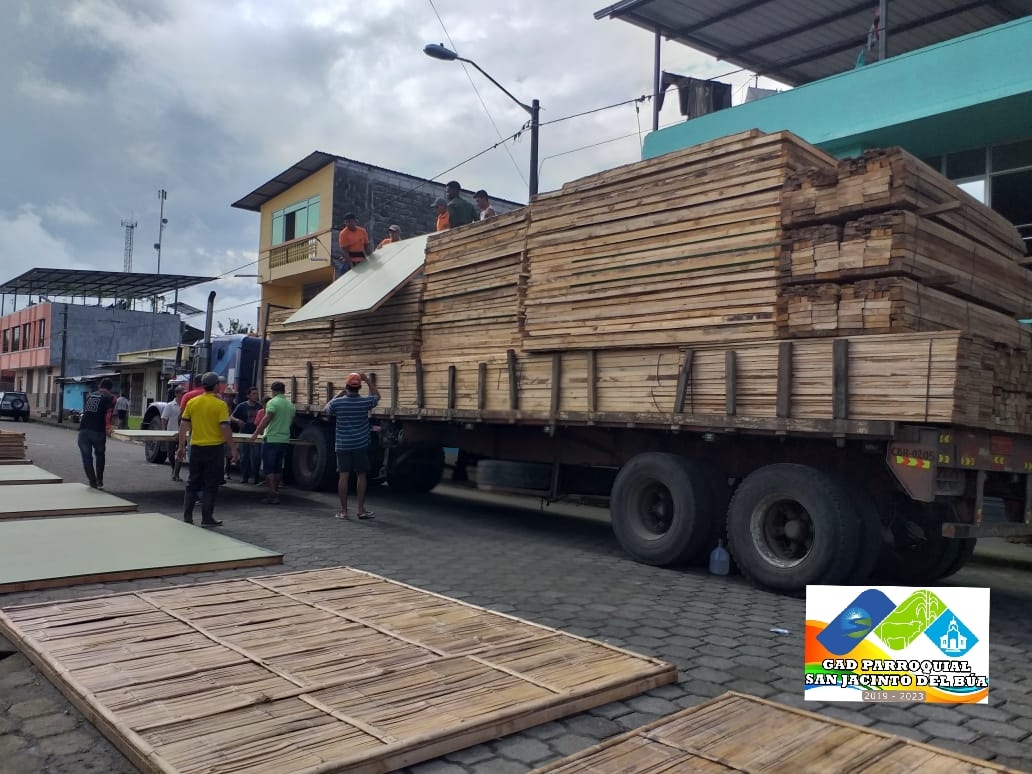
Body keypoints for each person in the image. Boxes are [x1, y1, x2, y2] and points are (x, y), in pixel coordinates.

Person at [176, 371, 238, 527]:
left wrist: (181, 446)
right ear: (216, 386)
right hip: (214, 449)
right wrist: (233, 448)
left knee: (192, 482)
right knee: (211, 484)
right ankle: (207, 518)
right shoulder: (220, 404)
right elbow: (224, 427)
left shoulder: (193, 402)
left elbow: (183, 425)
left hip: (196, 447)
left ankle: (187, 516)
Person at [324, 372, 380, 520]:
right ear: (359, 387)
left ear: (346, 386)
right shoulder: (365, 402)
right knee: (361, 475)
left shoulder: (338, 403)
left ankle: (344, 512)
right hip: (360, 444)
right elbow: (377, 396)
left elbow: (326, 408)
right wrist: (367, 380)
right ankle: (361, 510)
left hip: (342, 445)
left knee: (343, 476)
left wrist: (338, 394)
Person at [250, 381, 295, 504]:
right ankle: (276, 492)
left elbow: (266, 420)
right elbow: (290, 422)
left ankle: (272, 495)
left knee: (269, 468)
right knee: (278, 468)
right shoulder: (290, 405)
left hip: (271, 439)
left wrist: (255, 434)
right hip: (284, 439)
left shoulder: (273, 402)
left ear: (273, 391)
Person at [78, 378, 115, 489]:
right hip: (98, 431)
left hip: (83, 431)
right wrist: (108, 427)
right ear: (110, 388)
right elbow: (108, 413)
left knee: (86, 458)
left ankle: (92, 482)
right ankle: (99, 480)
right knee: (100, 455)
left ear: (100, 386)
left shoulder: (90, 395)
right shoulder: (111, 397)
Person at [231, 387, 263, 485]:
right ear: (248, 396)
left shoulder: (260, 407)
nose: (256, 396)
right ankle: (244, 476)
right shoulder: (242, 406)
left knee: (256, 457)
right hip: (244, 434)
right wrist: (238, 421)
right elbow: (231, 417)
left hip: (256, 435)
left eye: (257, 394)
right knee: (244, 456)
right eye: (253, 394)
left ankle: (255, 477)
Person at [162, 384, 187, 481]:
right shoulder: (169, 405)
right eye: (181, 393)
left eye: (184, 393)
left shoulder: (186, 405)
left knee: (180, 453)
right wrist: (164, 431)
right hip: (171, 433)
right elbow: (164, 418)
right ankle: (174, 469)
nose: (183, 395)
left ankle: (176, 473)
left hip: (182, 433)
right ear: (176, 394)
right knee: (170, 454)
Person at [336, 213, 371, 278]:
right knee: (345, 277)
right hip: (349, 258)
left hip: (361, 257)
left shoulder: (362, 231)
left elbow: (366, 246)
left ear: (355, 221)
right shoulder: (343, 233)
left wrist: (371, 258)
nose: (348, 224)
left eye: (350, 221)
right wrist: (351, 265)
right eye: (346, 222)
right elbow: (344, 251)